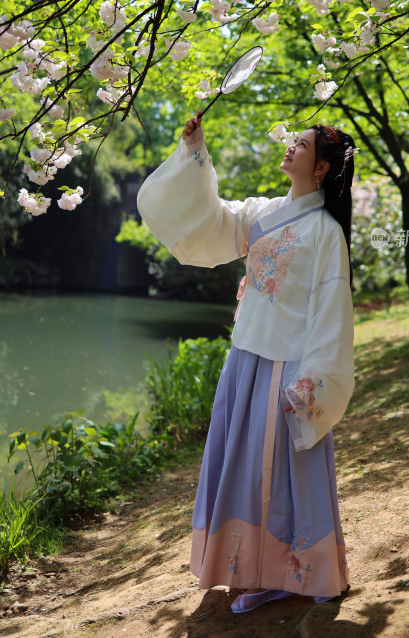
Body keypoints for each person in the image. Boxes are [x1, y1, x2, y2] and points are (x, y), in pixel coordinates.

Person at [137, 115, 357, 614]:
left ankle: (293, 574)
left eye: (300, 146)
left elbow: (332, 311)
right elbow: (209, 219)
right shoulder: (261, 213)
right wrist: (196, 152)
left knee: (277, 477)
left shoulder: (326, 233)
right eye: (292, 140)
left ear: (320, 168)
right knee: (245, 472)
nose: (290, 148)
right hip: (246, 358)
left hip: (287, 370)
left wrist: (311, 382)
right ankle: (255, 569)